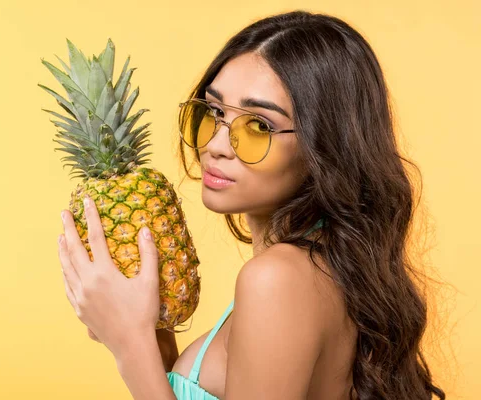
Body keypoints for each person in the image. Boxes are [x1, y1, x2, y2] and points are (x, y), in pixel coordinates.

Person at [57, 10, 446, 399]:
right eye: (215, 112)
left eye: (259, 126)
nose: (216, 146)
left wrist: (130, 344)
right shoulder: (316, 267)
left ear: (323, 146)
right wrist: (150, 336)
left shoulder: (276, 279)